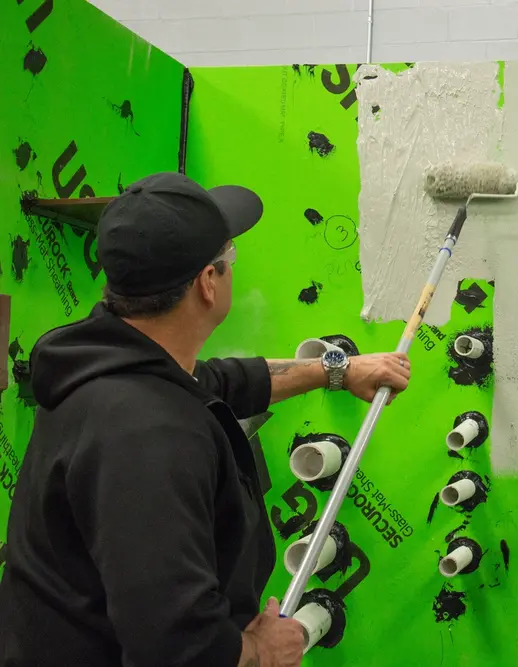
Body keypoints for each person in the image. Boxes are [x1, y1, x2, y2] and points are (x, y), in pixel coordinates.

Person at [0, 172, 411, 667]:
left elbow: (217, 382)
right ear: (207, 284)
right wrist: (259, 649)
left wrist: (336, 371)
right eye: (229, 258)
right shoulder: (148, 439)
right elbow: (176, 648)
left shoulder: (105, 361)